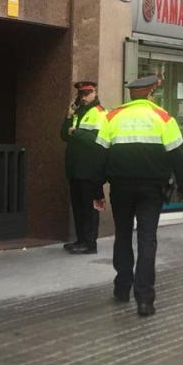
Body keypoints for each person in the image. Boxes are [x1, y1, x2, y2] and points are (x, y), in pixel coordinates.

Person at [96, 74, 183, 317]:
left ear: (131, 95)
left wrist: (97, 189)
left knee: (123, 235)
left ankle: (121, 288)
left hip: (121, 189)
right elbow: (178, 157)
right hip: (151, 190)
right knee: (147, 240)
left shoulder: (112, 116)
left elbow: (98, 157)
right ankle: (145, 300)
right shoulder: (163, 117)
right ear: (151, 93)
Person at [60, 80, 107, 254]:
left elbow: (99, 140)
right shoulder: (77, 112)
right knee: (78, 207)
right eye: (81, 94)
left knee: (90, 208)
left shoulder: (100, 113)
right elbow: (64, 135)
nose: (84, 97)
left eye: (87, 93)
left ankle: (90, 243)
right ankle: (80, 240)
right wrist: (68, 116)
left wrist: (77, 133)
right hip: (75, 169)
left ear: (95, 93)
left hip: (91, 170)